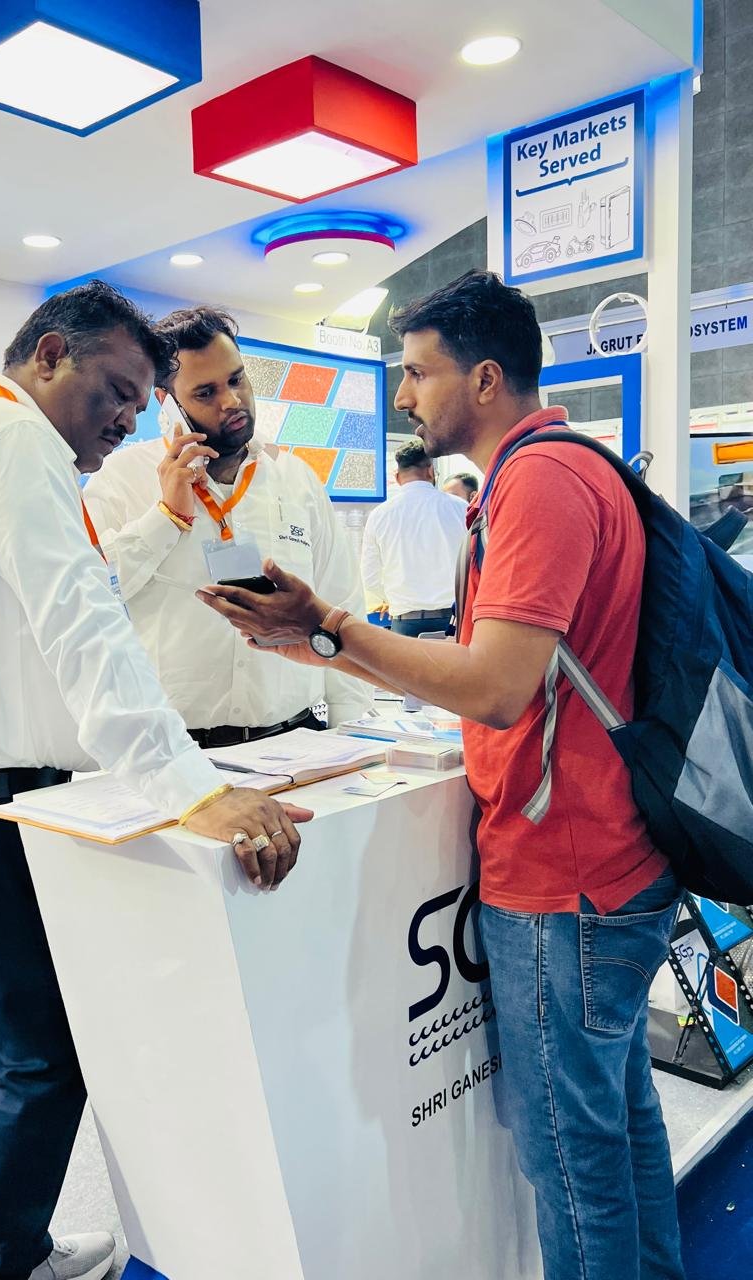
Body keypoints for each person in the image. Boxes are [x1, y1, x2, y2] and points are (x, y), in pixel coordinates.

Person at [196, 270, 685, 1280]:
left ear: (487, 378)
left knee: (573, 1160)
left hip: (563, 873)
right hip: (602, 859)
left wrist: (331, 624)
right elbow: (505, 674)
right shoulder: (563, 470)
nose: (405, 394)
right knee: (616, 1124)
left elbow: (499, 689)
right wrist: (322, 641)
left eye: (418, 371)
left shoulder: (541, 482)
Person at [0, 281, 311, 1280]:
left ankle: (3, 1245)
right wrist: (190, 788)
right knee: (46, 1050)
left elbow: (56, 598)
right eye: (116, 391)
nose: (125, 419)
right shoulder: (16, 444)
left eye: (139, 403)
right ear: (49, 355)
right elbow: (86, 623)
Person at [83, 305, 370, 748]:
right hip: (173, 752)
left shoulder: (297, 480)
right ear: (167, 403)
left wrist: (350, 734)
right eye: (206, 392)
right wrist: (164, 519)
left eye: (236, 380)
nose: (232, 401)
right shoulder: (120, 479)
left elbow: (341, 603)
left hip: (297, 743)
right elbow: (91, 599)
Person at [360, 438, 467, 636]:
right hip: (454, 620)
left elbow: (370, 578)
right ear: (431, 471)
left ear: (397, 476)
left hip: (405, 623)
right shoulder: (461, 509)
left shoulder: (379, 515)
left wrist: (396, 600)